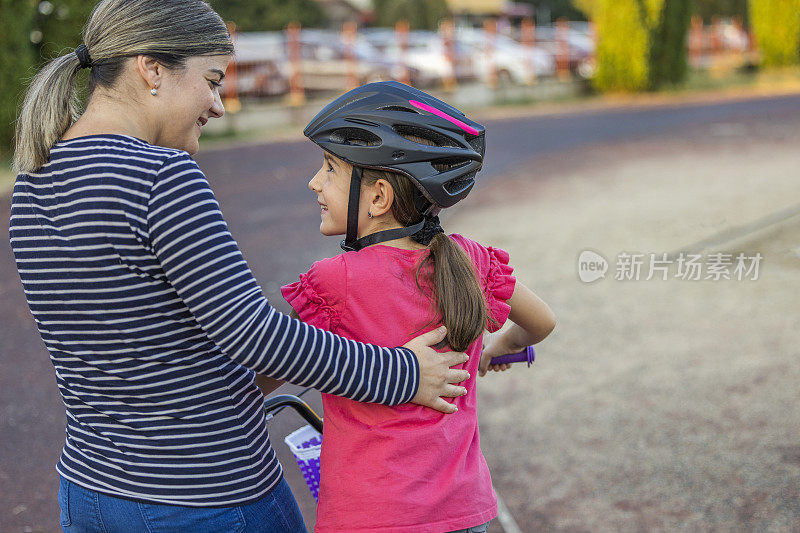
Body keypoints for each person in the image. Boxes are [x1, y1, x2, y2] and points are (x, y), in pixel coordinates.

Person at [9, 2, 471, 531]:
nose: (218, 104)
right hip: (204, 495)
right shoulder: (161, 175)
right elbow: (252, 336)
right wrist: (402, 374)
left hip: (89, 493)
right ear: (151, 68)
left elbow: (146, 357)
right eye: (210, 80)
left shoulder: (34, 180)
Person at [281, 81, 556, 532]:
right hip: (465, 514)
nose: (315, 182)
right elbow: (542, 322)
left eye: (330, 169)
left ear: (379, 198)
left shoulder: (335, 281)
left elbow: (266, 371)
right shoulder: (470, 259)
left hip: (373, 518)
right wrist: (495, 347)